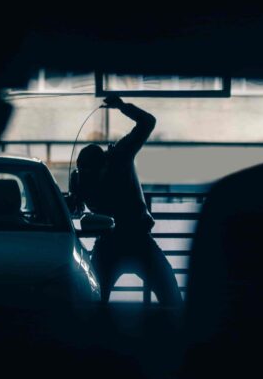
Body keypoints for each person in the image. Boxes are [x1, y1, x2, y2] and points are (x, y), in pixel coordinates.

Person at [69, 96, 183, 306]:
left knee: (94, 299)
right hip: (128, 239)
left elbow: (148, 122)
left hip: (125, 240)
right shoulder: (88, 174)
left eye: (93, 174)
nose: (90, 179)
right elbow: (76, 208)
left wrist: (122, 106)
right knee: (169, 295)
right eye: (86, 174)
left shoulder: (119, 156)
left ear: (105, 163)